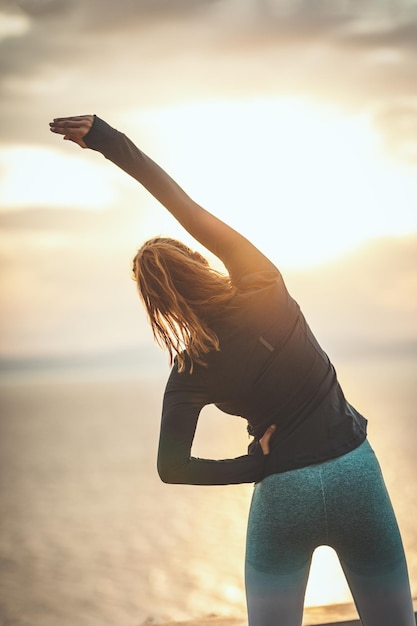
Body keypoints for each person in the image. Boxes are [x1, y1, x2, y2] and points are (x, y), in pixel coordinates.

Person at [49, 114, 415, 626]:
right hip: (355, 469)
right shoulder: (262, 280)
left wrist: (252, 465)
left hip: (283, 488)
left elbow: (171, 468)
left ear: (159, 307)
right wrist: (108, 141)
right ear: (200, 262)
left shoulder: (188, 371)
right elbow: (184, 207)